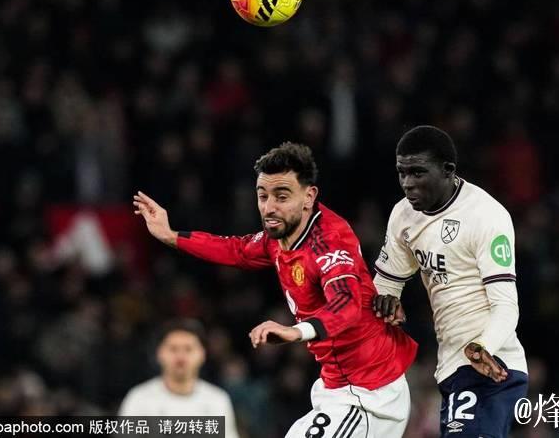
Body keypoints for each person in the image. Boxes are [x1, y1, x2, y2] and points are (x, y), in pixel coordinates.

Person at [133, 142, 417, 438]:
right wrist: (171, 236)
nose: (269, 207)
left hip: (369, 392)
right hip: (337, 386)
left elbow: (347, 303)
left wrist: (296, 332)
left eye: (282, 196)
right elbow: (237, 250)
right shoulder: (281, 234)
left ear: (309, 196)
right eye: (263, 196)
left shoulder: (328, 242)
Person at [371, 125, 528, 438]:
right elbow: (386, 285)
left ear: (448, 170)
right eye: (402, 173)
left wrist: (483, 347)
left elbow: (506, 306)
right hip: (453, 367)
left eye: (418, 172)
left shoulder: (486, 216)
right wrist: (386, 302)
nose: (407, 183)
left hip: (491, 365)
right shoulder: (403, 216)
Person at [118, 318, 240, 438]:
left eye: (188, 349)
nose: (181, 357)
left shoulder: (217, 400)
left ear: (202, 354)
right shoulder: (139, 399)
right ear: (159, 353)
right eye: (173, 349)